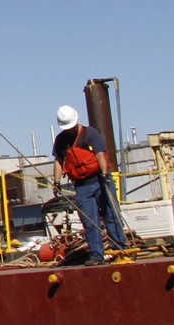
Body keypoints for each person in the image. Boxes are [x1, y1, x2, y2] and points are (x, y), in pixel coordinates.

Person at [51, 105, 123, 266]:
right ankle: (97, 255)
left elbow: (99, 154)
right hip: (82, 185)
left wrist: (104, 175)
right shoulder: (61, 140)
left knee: (111, 215)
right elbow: (58, 161)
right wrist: (56, 182)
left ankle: (119, 248)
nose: (69, 131)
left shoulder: (90, 134)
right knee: (90, 221)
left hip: (99, 179)